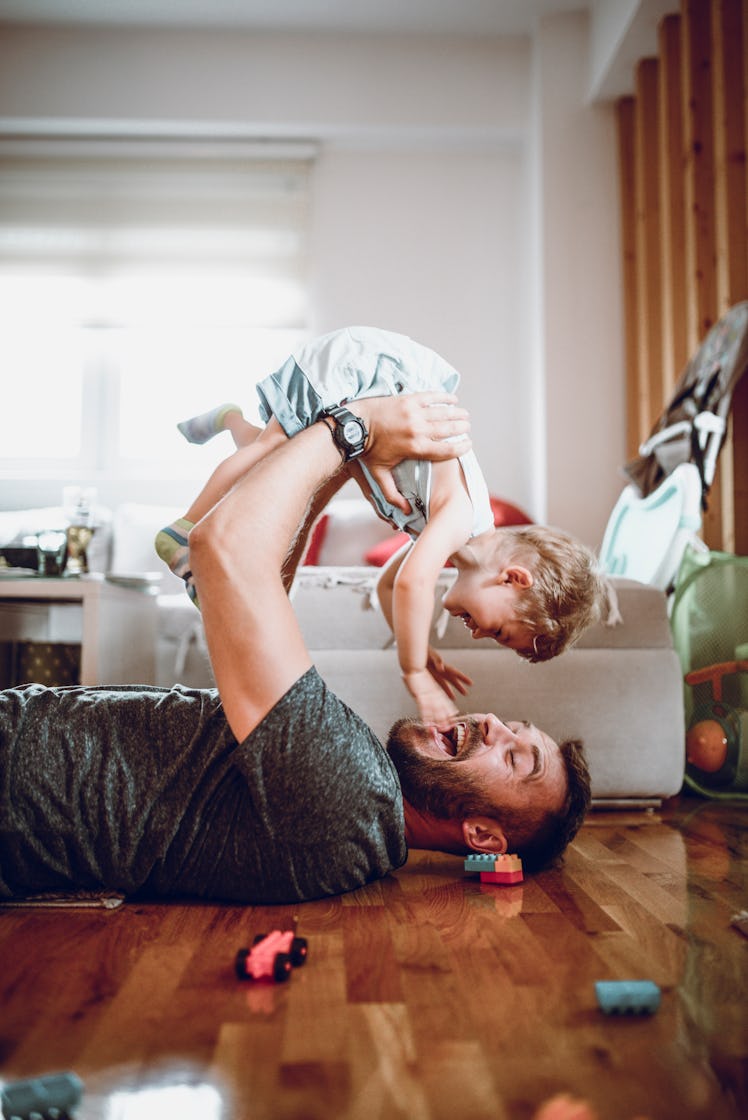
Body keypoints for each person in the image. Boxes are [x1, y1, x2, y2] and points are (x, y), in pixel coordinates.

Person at [0, 393, 591, 905]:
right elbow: (255, 593)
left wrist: (354, 426)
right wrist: (339, 467)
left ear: (483, 838)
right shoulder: (360, 817)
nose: (493, 724)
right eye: (515, 727)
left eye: (515, 758)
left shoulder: (349, 794)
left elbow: (222, 550)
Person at [157, 325, 613, 725]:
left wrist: (413, 640)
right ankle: (184, 529)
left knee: (269, 450)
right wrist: (414, 672)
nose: (476, 633)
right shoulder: (461, 518)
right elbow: (415, 584)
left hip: (363, 389)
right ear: (513, 578)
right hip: (356, 372)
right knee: (269, 454)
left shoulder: (454, 544)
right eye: (496, 630)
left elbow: (390, 587)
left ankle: (227, 419)